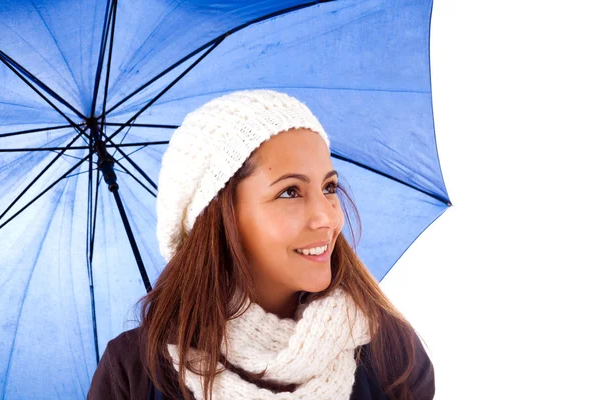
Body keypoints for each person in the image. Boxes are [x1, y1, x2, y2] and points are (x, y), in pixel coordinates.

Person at [87, 90, 435, 400]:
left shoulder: (390, 353)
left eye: (329, 188)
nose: (326, 218)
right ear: (221, 218)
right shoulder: (133, 374)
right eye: (289, 192)